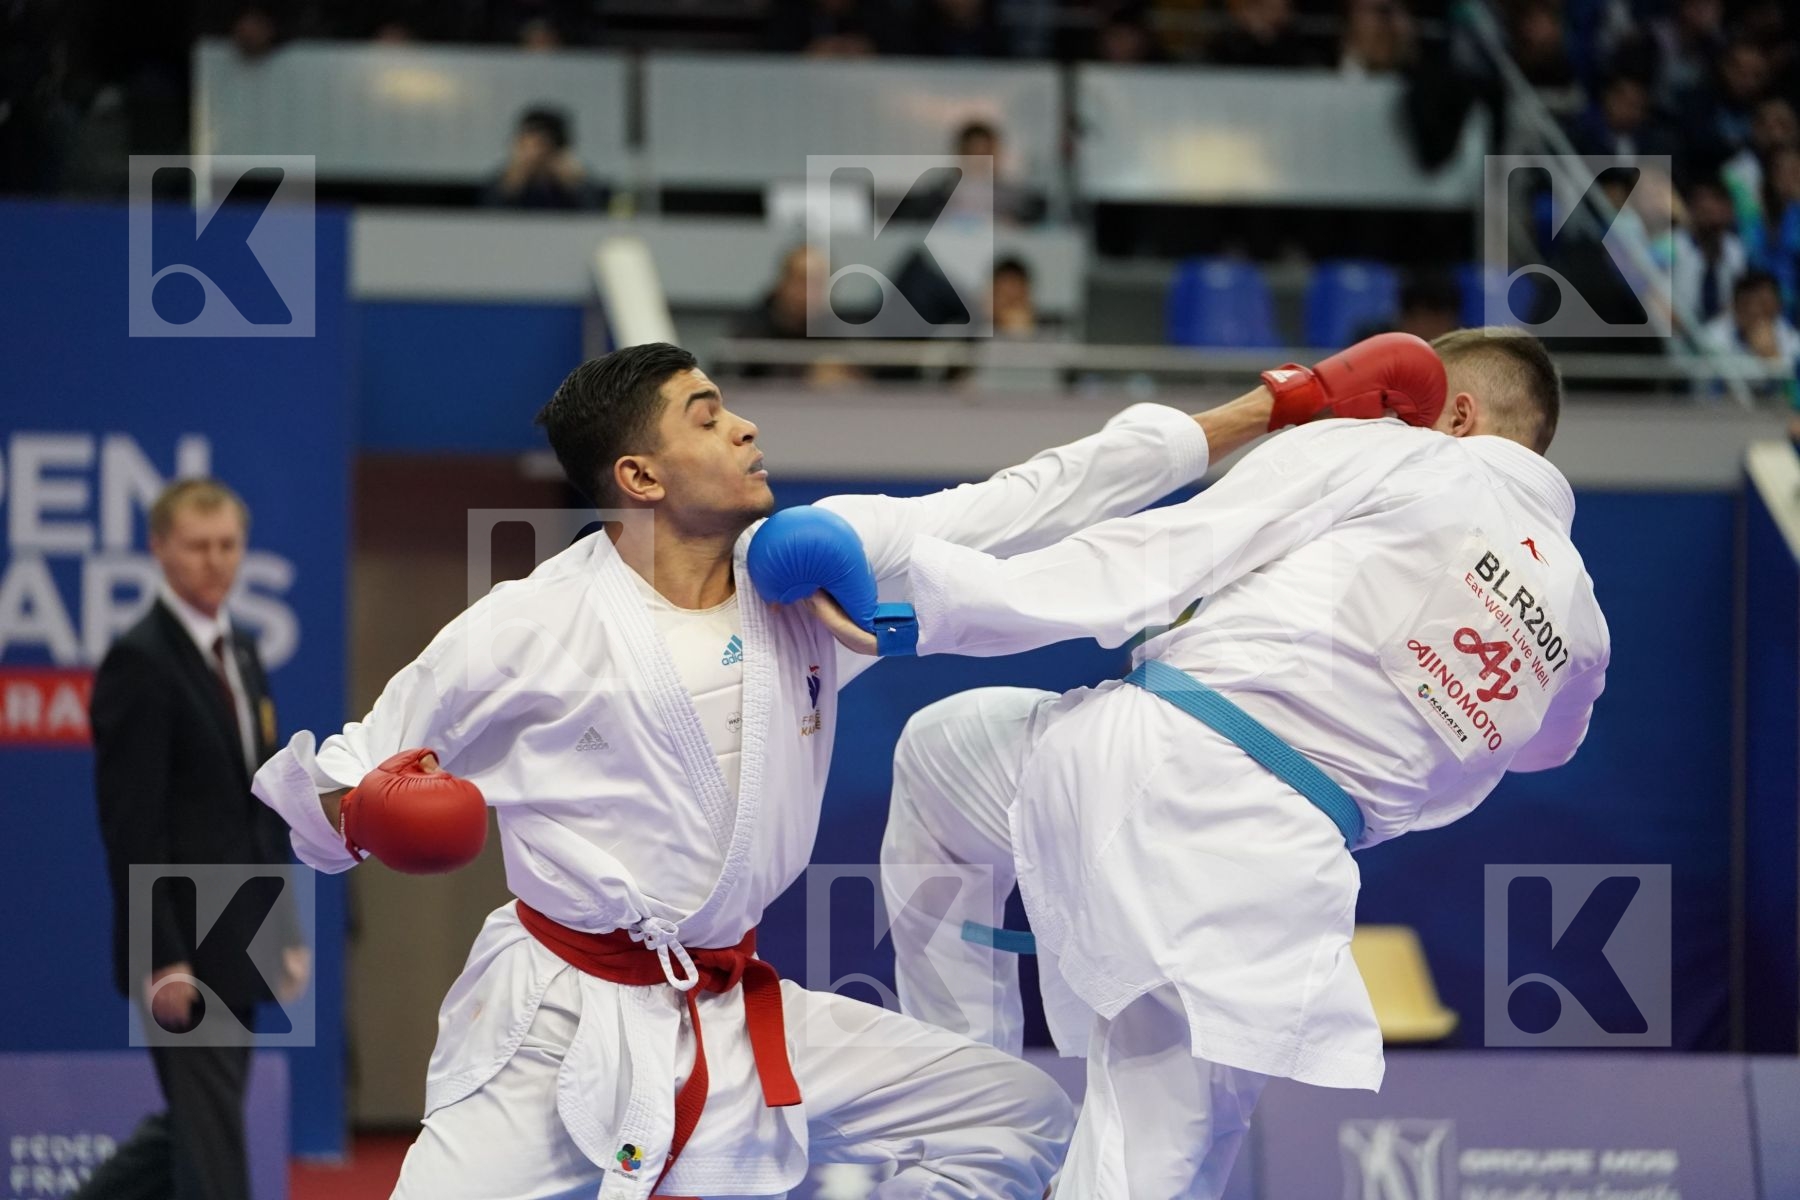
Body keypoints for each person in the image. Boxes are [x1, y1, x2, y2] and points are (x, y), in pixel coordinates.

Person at [251, 341, 1260, 1198]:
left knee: (1020, 1116)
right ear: (640, 477)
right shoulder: (526, 626)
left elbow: (1028, 501)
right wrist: (374, 811)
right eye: (706, 417)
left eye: (730, 408)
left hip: (731, 1008)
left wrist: (1274, 404)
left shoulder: (803, 573)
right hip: (555, 1018)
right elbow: (333, 788)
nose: (742, 428)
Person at [814, 330, 1610, 1197]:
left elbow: (1158, 554)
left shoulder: (1401, 456)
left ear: (1458, 413)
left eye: (1417, 407)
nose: (1397, 415)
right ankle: (975, 1136)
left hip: (1139, 762)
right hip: (1277, 872)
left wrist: (922, 613)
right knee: (1155, 1156)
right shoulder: (1582, 628)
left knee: (945, 754)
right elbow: (1540, 751)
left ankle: (968, 1141)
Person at [81, 479, 308, 1200]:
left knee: (191, 1127)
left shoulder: (241, 651)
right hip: (182, 936)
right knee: (212, 1152)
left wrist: (281, 933)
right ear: (159, 549)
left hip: (240, 931)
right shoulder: (140, 661)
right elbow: (132, 826)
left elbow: (259, 811)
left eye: (228, 546)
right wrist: (164, 958)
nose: (215, 561)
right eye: (197, 546)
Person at [481, 106, 605, 210]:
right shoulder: (505, 181)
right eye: (526, 146)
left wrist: (574, 185)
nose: (534, 154)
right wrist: (512, 183)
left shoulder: (576, 181)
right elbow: (485, 217)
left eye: (542, 145)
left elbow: (595, 216)